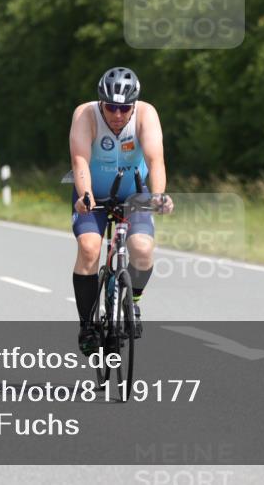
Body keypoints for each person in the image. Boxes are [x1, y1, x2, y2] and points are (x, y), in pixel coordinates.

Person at [69, 66, 173, 356]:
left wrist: (158, 195)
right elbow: (79, 162)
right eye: (111, 107)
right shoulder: (85, 115)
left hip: (133, 193)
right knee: (89, 248)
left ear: (133, 105)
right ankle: (87, 324)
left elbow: (156, 160)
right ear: (101, 102)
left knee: (141, 248)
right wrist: (85, 195)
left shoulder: (146, 114)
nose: (117, 114)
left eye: (124, 108)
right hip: (92, 193)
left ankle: (133, 302)